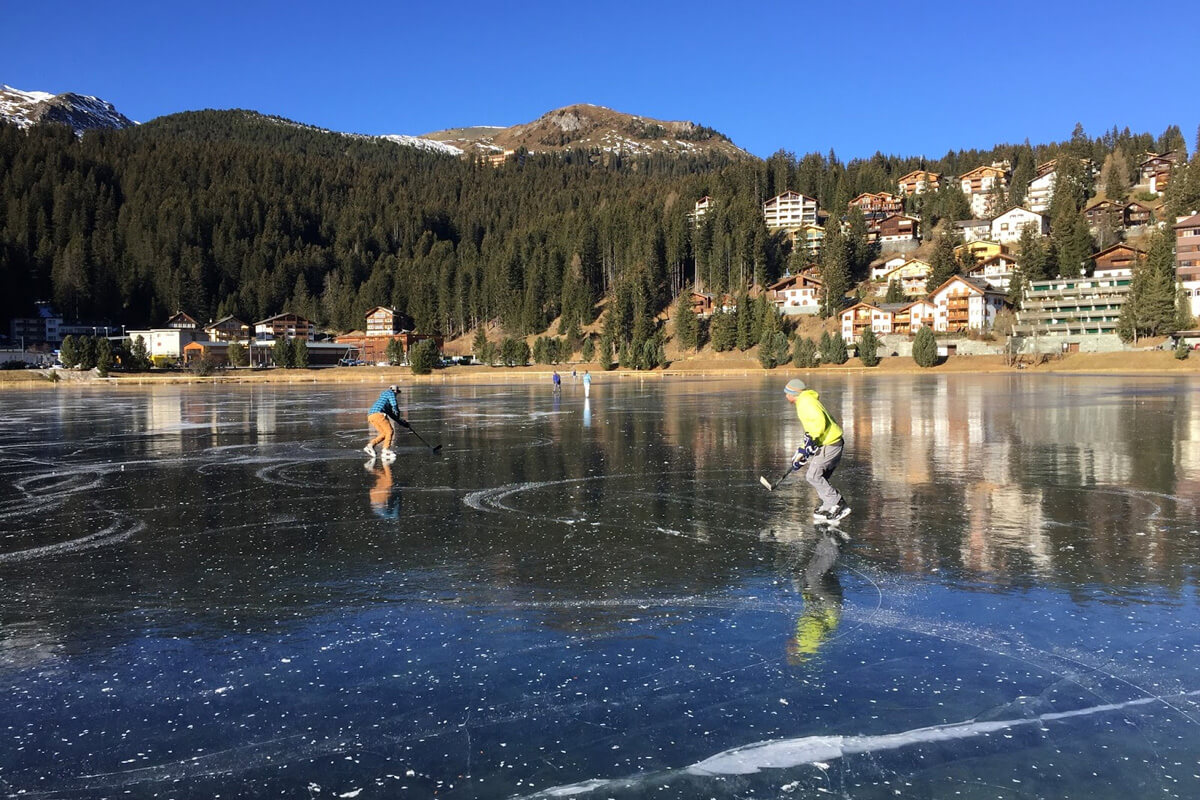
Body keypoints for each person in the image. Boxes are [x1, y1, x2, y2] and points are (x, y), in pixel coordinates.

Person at [784, 378, 849, 521]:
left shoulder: (806, 403)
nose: (785, 396)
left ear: (793, 393)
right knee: (820, 476)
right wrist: (803, 451)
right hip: (829, 443)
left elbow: (819, 423)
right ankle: (828, 504)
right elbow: (811, 429)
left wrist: (811, 442)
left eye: (787, 393)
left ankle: (839, 504)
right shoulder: (804, 401)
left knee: (813, 476)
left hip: (830, 444)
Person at [364, 384, 409, 460]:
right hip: (378, 414)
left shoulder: (385, 401)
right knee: (390, 431)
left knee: (384, 434)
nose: (396, 395)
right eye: (397, 393)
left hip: (371, 416)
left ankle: (370, 446)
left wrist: (403, 423)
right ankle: (385, 451)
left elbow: (393, 415)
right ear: (395, 391)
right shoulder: (390, 393)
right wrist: (397, 412)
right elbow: (394, 404)